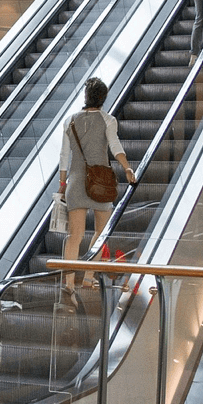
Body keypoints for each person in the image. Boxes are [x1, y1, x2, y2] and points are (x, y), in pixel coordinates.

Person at [59, 77, 135, 290]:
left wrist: (62, 183)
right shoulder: (108, 120)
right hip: (101, 182)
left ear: (86, 96)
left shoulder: (69, 120)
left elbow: (64, 154)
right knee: (101, 233)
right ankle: (88, 276)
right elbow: (115, 145)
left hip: (75, 181)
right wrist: (127, 168)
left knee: (75, 235)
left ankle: (68, 283)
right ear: (103, 98)